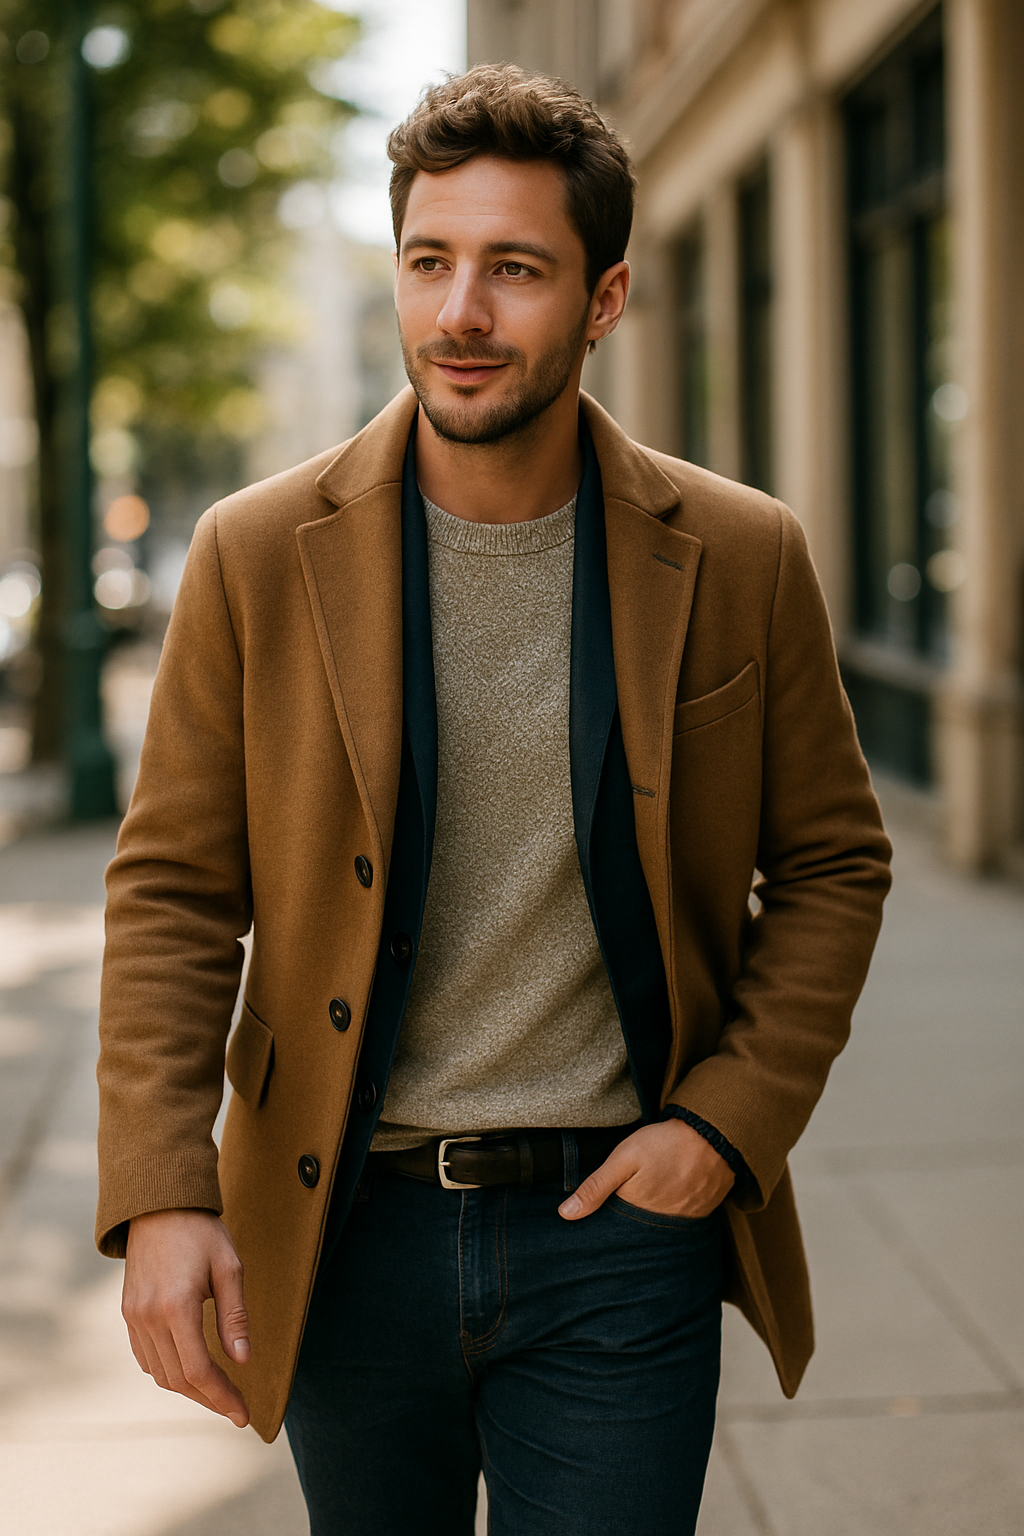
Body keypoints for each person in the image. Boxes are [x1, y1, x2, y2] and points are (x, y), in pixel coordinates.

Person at [96, 64, 891, 1536]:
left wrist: (725, 1124)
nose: (460, 312)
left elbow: (836, 862)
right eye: (429, 262)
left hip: (619, 1233)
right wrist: (161, 1189)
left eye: (515, 269)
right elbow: (175, 893)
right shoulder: (252, 554)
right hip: (343, 1224)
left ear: (605, 299)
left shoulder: (742, 554)